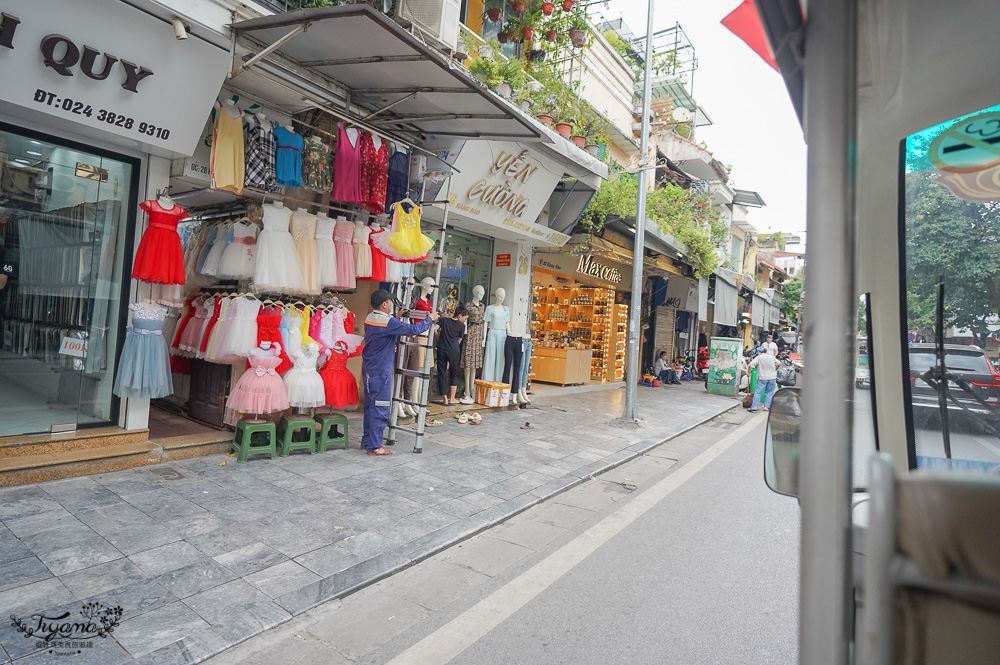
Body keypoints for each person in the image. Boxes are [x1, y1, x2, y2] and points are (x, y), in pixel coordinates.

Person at [361, 289, 439, 456]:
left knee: (370, 407)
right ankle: (375, 446)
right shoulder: (388, 322)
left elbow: (384, 327)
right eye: (389, 302)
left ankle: (367, 441)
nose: (391, 304)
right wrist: (430, 319)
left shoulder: (370, 318)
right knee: (380, 408)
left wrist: (396, 315)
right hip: (381, 371)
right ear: (384, 304)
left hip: (369, 369)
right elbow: (413, 329)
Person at [436, 305, 469, 405]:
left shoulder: (444, 320)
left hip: (441, 348)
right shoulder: (461, 326)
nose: (465, 320)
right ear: (459, 315)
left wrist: (438, 338)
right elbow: (459, 340)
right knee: (454, 373)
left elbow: (434, 329)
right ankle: (452, 398)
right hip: (453, 350)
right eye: (465, 318)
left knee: (441, 373)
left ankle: (445, 399)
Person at [748, 347, 779, 411]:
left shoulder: (759, 358)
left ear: (759, 352)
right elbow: (778, 363)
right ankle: (766, 407)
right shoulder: (772, 357)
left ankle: (755, 406)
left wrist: (749, 371)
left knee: (758, 392)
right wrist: (774, 369)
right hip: (772, 377)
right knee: (769, 392)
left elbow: (751, 364)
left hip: (762, 377)